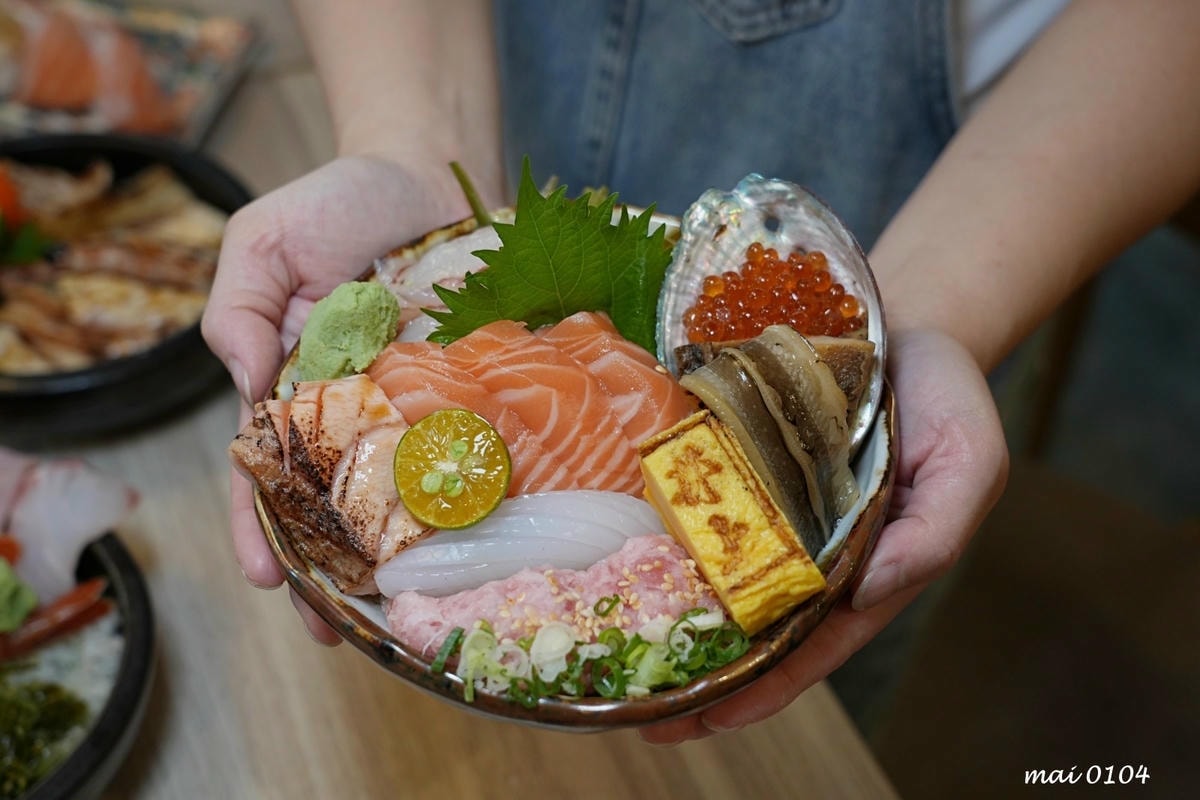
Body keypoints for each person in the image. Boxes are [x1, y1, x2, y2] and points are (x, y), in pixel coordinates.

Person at [201, 0, 1200, 745]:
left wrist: (923, 319)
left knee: (808, 729)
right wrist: (417, 150)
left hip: (975, 201)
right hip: (505, 99)